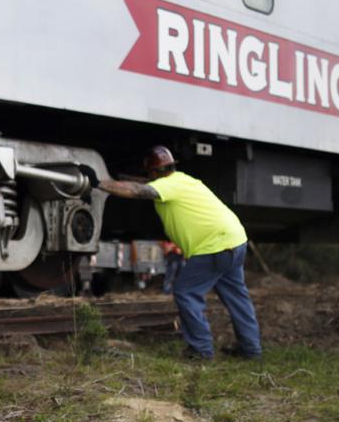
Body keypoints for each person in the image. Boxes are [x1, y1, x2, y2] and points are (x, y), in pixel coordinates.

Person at [97, 146, 261, 360]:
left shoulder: (166, 186)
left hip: (214, 246)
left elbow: (139, 190)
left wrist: (99, 183)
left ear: (154, 172)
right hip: (235, 240)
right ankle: (251, 351)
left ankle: (201, 351)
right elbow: (145, 184)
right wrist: (118, 179)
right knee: (237, 298)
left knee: (186, 292)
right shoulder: (183, 180)